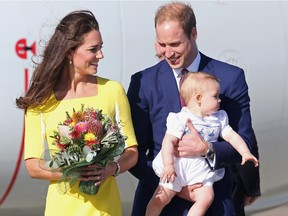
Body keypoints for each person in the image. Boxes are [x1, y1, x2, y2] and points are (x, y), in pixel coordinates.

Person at [127, 2, 260, 215]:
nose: (168, 52)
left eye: (175, 44)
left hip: (212, 203)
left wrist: (206, 149)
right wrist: (176, 185)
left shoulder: (229, 78)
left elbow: (245, 141)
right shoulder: (143, 82)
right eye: (161, 44)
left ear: (194, 34)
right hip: (161, 197)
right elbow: (134, 152)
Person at [15, 10, 138, 216]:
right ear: (70, 52)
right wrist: (70, 171)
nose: (100, 55)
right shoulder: (40, 101)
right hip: (62, 209)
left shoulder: (113, 90)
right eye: (93, 49)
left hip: (106, 209)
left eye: (101, 48)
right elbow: (33, 166)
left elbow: (131, 152)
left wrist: (111, 168)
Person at [146, 72, 259, 216]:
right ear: (199, 98)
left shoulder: (219, 118)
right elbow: (168, 141)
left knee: (206, 198)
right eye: (215, 96)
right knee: (160, 198)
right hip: (177, 169)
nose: (219, 100)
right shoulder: (182, 118)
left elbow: (232, 136)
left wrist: (245, 152)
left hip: (201, 171)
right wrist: (168, 165)